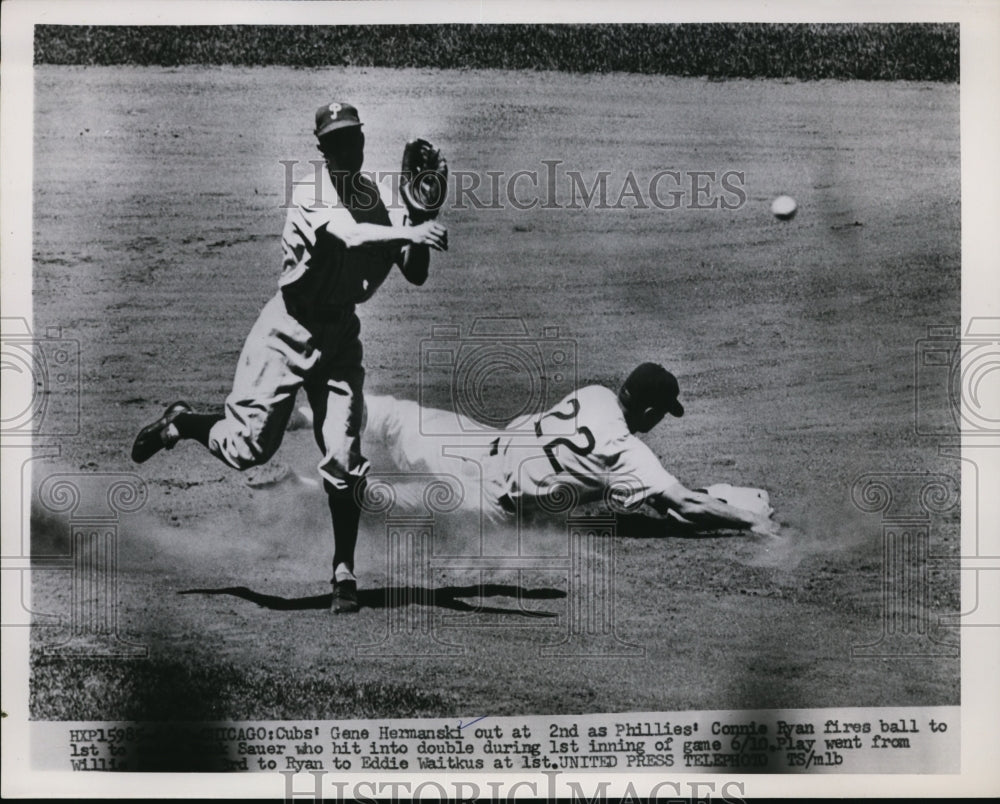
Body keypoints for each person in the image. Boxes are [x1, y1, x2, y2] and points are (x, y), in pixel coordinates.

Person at [131, 101, 449, 613]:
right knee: (248, 448)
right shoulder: (310, 194)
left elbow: (414, 271)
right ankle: (184, 423)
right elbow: (349, 235)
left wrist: (422, 218)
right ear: (323, 149)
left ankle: (343, 573)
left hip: (340, 335)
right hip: (287, 329)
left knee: (344, 457)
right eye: (338, 142)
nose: (350, 149)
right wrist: (407, 230)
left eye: (355, 139)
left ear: (364, 141)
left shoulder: (380, 200)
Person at [361, 362, 779, 535]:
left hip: (478, 442)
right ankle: (300, 487)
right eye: (662, 413)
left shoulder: (595, 394)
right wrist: (749, 519)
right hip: (488, 502)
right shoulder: (628, 453)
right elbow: (683, 504)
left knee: (392, 416)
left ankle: (304, 414)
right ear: (650, 412)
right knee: (378, 502)